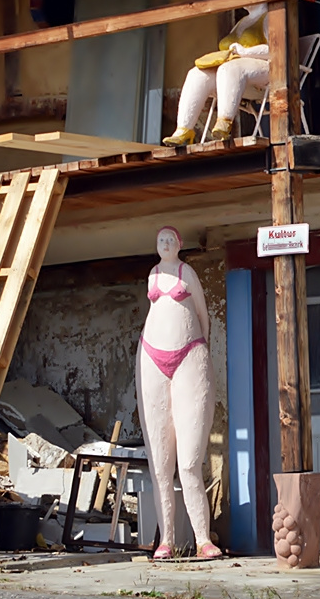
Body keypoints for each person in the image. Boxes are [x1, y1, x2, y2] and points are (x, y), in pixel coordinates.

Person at [135, 226, 221, 559]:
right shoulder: (153, 275)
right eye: (161, 240)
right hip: (151, 358)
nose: (166, 244)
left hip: (189, 355)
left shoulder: (189, 274)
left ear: (180, 245)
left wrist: (202, 351)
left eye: (171, 239)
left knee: (188, 463)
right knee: (159, 464)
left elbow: (202, 315)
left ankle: (203, 538)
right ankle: (166, 539)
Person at [162, 0, 268, 145]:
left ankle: (224, 122)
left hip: (264, 72)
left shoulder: (269, 17)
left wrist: (244, 52)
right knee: (197, 73)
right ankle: (183, 130)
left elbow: (275, 49)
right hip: (235, 75)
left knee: (230, 69)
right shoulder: (242, 21)